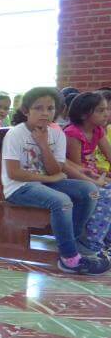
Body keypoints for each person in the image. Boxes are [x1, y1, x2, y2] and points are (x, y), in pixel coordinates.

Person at [3, 86, 107, 275]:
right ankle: (69, 259)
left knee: (90, 191)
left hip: (48, 182)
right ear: (26, 111)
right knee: (62, 201)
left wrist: (43, 144)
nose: (45, 113)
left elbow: (55, 170)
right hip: (19, 187)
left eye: (50, 108)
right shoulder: (16, 134)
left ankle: (74, 242)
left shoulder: (57, 134)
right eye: (38, 108)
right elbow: (14, 173)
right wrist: (49, 178)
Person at [64, 91, 111, 255]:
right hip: (76, 178)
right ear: (84, 114)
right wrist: (97, 180)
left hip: (92, 175)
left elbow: (109, 154)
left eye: (106, 109)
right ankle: (91, 243)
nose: (106, 114)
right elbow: (76, 168)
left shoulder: (98, 130)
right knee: (105, 196)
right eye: (100, 110)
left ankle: (107, 240)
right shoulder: (73, 133)